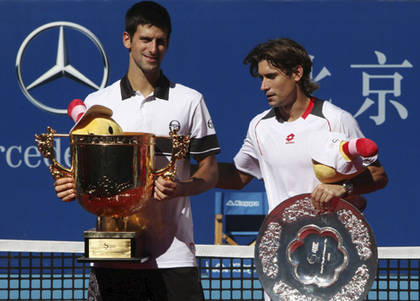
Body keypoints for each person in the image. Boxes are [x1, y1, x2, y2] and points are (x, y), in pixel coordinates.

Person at [54, 1, 219, 300]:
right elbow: (88, 176)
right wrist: (72, 184)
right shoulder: (98, 104)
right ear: (127, 40)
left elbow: (210, 170)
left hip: (174, 257)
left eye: (161, 41)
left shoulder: (190, 101)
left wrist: (180, 187)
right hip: (113, 258)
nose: (153, 48)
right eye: (146, 39)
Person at [216, 38, 388, 214]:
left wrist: (345, 187)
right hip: (283, 235)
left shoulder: (336, 119)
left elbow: (378, 174)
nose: (263, 86)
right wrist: (187, 168)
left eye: (271, 76)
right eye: (261, 78)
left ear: (297, 73)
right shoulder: (259, 126)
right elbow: (236, 176)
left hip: (331, 233)